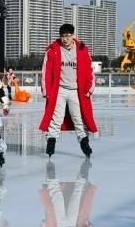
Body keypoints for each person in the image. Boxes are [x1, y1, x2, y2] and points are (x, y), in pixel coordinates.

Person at [39, 23, 97, 158]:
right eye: (63, 36)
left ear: (73, 35)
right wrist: (46, 91)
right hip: (59, 90)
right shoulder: (53, 50)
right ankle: (51, 142)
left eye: (68, 36)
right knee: (56, 117)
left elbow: (89, 71)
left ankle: (84, 143)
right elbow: (46, 71)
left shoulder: (82, 50)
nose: (65, 39)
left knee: (78, 118)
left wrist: (89, 88)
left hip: (76, 91)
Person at [39, 160, 96, 227]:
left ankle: (51, 177)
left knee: (56, 200)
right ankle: (84, 173)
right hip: (74, 226)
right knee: (78, 198)